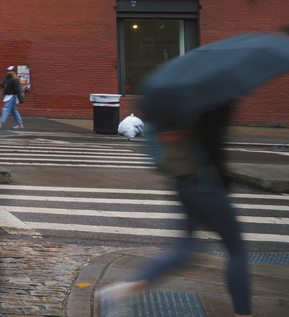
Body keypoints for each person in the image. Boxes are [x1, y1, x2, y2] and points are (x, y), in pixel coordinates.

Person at [97, 103, 248, 317]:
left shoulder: (182, 101)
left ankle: (126, 289)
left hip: (184, 184)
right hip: (208, 185)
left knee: (186, 249)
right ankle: (244, 313)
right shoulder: (213, 103)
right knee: (237, 251)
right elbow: (213, 147)